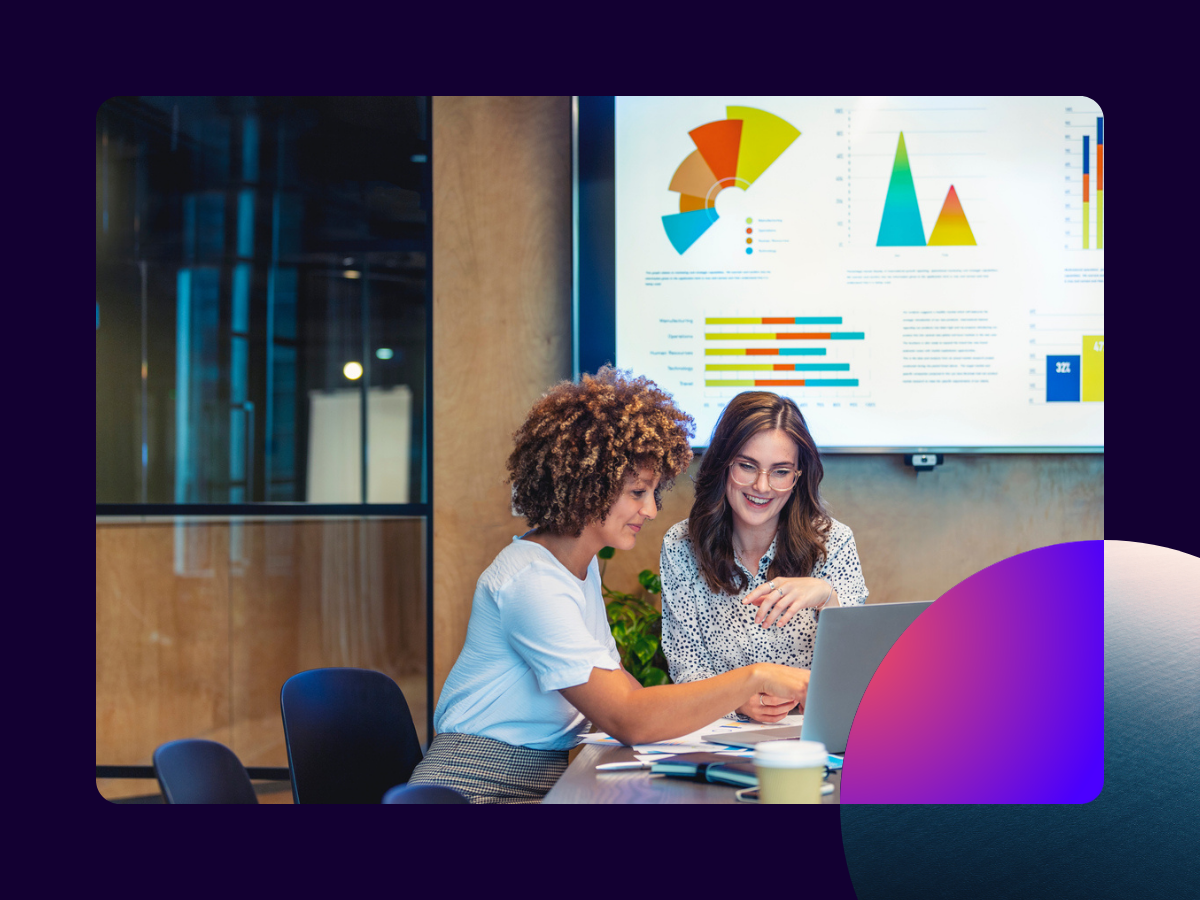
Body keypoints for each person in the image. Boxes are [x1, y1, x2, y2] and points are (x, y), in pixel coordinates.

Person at [407, 368, 813, 803]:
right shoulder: (531, 583)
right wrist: (757, 677)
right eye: (636, 492)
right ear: (588, 487)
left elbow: (627, 694)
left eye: (652, 493)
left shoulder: (577, 568)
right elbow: (627, 717)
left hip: (540, 777)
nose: (651, 510)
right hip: (473, 786)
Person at [660, 391, 868, 725]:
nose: (762, 486)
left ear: (798, 477)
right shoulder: (681, 546)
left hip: (810, 736)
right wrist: (738, 702)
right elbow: (686, 666)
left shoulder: (835, 541)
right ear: (723, 464)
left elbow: (855, 671)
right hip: (717, 736)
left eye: (780, 471)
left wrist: (827, 597)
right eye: (747, 466)